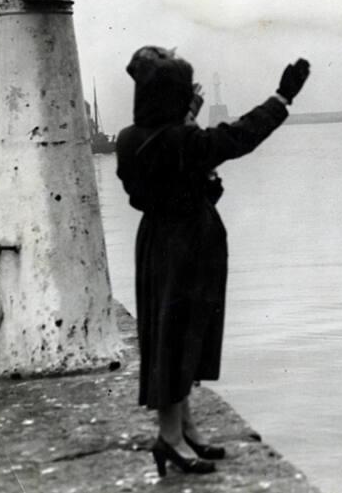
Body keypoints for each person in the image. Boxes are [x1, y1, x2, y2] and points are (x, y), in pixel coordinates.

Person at [115, 46, 309, 477]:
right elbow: (239, 136)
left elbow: (151, 180)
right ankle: (168, 438)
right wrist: (282, 98)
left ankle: (184, 429)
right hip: (186, 246)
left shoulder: (131, 139)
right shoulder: (183, 140)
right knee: (178, 338)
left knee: (172, 333)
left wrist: (186, 116)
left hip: (157, 242)